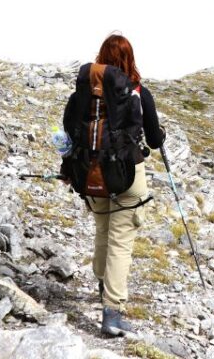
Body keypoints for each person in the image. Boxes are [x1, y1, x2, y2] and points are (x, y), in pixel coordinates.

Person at [61, 34, 164, 337]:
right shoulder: (137, 92)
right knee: (121, 241)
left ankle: (101, 287)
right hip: (126, 176)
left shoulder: (83, 94)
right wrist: (161, 134)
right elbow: (155, 141)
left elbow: (69, 132)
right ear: (129, 59)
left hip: (91, 173)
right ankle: (112, 312)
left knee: (103, 232)